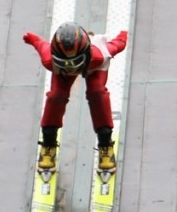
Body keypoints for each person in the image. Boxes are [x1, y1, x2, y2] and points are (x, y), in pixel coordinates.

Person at [23, 23, 127, 172]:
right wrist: (124, 34)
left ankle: (105, 144)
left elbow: (118, 44)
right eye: (65, 63)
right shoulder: (49, 60)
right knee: (55, 97)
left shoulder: (99, 55)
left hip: (92, 67)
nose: (71, 67)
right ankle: (49, 142)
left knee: (97, 93)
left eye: (74, 63)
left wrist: (124, 34)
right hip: (83, 64)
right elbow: (40, 44)